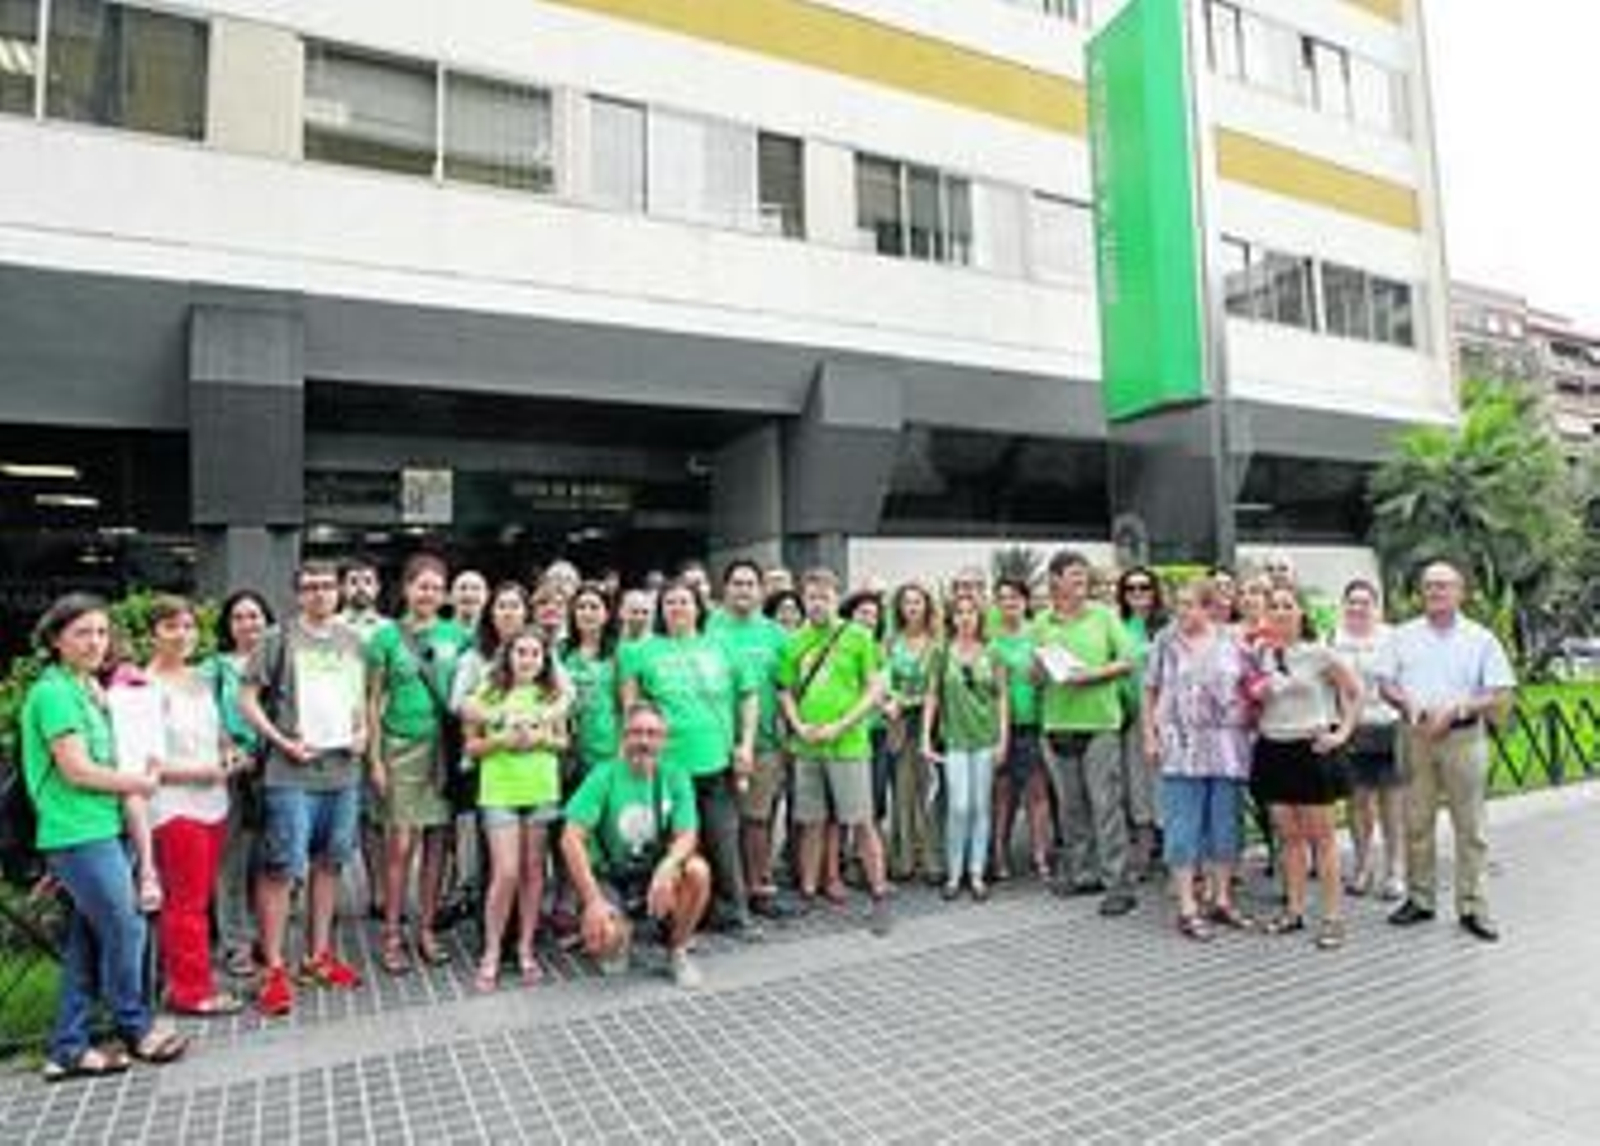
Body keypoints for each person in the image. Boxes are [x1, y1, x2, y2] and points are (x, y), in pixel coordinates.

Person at [23, 594, 189, 1080]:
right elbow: (76, 770)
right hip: (77, 833)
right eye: (82, 633)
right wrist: (138, 783)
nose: (95, 642)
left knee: (87, 942)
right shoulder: (53, 692)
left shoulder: (86, 689)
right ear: (56, 640)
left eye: (101, 632)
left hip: (101, 828)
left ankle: (67, 1047)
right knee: (127, 926)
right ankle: (135, 1024)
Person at [240, 561, 369, 1016]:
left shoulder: (353, 641)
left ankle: (317, 956)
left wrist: (363, 732)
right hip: (291, 774)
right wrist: (281, 741)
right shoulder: (277, 639)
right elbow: (247, 698)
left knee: (330, 864)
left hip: (343, 772)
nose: (319, 594)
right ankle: (274, 967)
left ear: (339, 591)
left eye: (327, 586)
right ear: (297, 594)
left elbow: (361, 699)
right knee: (281, 868)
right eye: (310, 587)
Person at [1377, 562, 1515, 942]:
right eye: (1429, 586)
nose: (1435, 592)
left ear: (1460, 592)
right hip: (1415, 734)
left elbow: (1499, 691)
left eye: (1443, 586)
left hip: (1463, 738)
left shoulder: (1481, 638)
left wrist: (1458, 710)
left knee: (1470, 827)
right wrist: (1407, 705)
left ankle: (1472, 906)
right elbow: (1385, 683)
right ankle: (1420, 900)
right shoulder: (1402, 636)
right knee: (1416, 821)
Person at [619, 579, 759, 936]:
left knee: (722, 840)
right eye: (669, 603)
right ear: (661, 611)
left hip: (715, 762)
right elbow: (631, 709)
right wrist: (636, 753)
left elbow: (748, 696)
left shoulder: (722, 645)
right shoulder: (641, 651)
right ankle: (676, 918)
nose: (677, 608)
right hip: (666, 766)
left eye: (684, 601)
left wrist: (745, 744)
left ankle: (735, 913)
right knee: (675, 845)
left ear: (698, 606)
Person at [367, 554, 471, 973]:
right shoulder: (385, 638)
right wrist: (374, 759)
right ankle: (392, 933)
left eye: (435, 587)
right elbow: (371, 702)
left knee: (437, 845)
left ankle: (425, 929)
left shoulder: (457, 635)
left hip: (443, 752)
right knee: (400, 846)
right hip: (399, 748)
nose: (428, 593)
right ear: (407, 589)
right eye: (420, 585)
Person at [561, 703, 712, 989]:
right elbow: (570, 837)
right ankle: (620, 930)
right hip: (611, 875)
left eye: (653, 734)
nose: (644, 741)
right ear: (624, 737)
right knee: (606, 945)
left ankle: (677, 949)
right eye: (637, 733)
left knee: (697, 870)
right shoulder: (603, 775)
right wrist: (592, 900)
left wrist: (669, 865)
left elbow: (687, 834)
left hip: (653, 873)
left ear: (664, 740)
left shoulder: (674, 774)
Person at [777, 568, 893, 936]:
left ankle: (879, 896)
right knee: (811, 822)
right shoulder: (794, 641)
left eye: (824, 597)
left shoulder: (858, 636)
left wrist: (842, 725)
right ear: (803, 598)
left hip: (848, 745)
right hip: (808, 745)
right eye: (810, 597)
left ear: (835, 597)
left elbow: (874, 690)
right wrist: (797, 726)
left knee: (861, 822)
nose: (817, 603)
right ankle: (809, 894)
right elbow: (785, 691)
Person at [1248, 587, 1362, 948]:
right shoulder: (1258, 654)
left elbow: (1354, 691)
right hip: (1272, 750)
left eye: (1287, 605)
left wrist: (1341, 732)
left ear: (1301, 613)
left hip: (1311, 751)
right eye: (1274, 606)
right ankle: (1294, 910)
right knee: (1289, 839)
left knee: (1322, 841)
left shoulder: (1319, 654)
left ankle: (1332, 918)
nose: (1280, 612)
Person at [1141, 580, 1254, 940]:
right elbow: (1149, 688)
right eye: (1179, 605)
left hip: (1227, 746)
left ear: (1209, 607)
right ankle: (1188, 906)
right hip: (1180, 744)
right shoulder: (1165, 641)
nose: (1184, 612)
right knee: (1182, 826)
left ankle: (1221, 899)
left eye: (1191, 605)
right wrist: (1149, 735)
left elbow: (1253, 685)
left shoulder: (1234, 641)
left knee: (1225, 824)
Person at [145, 596, 240, 1015]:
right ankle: (190, 991)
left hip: (213, 802)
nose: (182, 635)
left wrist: (229, 753)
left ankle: (184, 978)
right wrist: (200, 773)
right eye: (170, 627)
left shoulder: (201, 679)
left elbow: (217, 735)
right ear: (153, 634)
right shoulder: (141, 687)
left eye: (188, 626)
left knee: (197, 898)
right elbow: (143, 762)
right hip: (173, 805)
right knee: (186, 901)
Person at [1033, 549, 1139, 916]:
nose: (1082, 583)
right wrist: (1039, 671)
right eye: (1075, 577)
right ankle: (1083, 873)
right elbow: (1034, 677)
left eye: (1084, 577)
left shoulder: (1105, 617)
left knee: (1106, 805)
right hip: (1057, 724)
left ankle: (1119, 883)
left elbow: (1128, 661)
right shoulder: (1042, 622)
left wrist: (1090, 676)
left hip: (1099, 725)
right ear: (1055, 580)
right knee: (1071, 806)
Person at [462, 631, 567, 991]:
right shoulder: (487, 694)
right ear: (508, 656)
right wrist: (500, 741)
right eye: (521, 652)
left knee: (533, 872)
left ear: (544, 659)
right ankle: (491, 951)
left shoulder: (551, 695)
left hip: (540, 789)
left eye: (535, 653)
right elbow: (472, 746)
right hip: (499, 790)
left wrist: (542, 739)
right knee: (505, 872)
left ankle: (525, 947)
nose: (528, 659)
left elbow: (563, 740)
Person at [707, 560, 792, 920]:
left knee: (758, 819)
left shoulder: (775, 633)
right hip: (716, 740)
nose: (743, 590)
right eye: (737, 583)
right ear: (724, 588)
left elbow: (787, 687)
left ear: (760, 590)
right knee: (724, 822)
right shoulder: (709, 628)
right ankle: (730, 890)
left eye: (750, 584)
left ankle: (759, 887)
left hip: (765, 742)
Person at [921, 592, 1008, 901]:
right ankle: (953, 873)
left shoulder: (992, 652)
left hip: (985, 738)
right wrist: (925, 738)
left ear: (980, 617)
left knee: (980, 806)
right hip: (955, 738)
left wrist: (1003, 738)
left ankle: (976, 873)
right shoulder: (941, 653)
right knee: (958, 806)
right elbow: (932, 697)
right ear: (952, 618)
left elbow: (1001, 698)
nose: (966, 618)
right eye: (959, 612)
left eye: (971, 612)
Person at [205, 589, 274, 978]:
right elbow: (201, 713)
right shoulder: (215, 667)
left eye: (255, 616)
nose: (249, 624)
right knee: (232, 862)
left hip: (278, 771)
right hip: (234, 774)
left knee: (272, 860)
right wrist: (227, 746)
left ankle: (269, 936)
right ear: (228, 625)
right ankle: (236, 944)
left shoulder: (281, 660)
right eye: (240, 617)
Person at [1332, 579, 1406, 901]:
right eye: (1353, 601)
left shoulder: (1392, 638)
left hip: (1389, 726)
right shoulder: (1334, 638)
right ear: (1344, 605)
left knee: (1392, 804)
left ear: (1377, 607)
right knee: (1358, 802)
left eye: (1365, 602)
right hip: (1353, 729)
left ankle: (1396, 870)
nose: (1358, 607)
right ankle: (1363, 866)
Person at [988, 577, 1050, 882]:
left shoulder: (1038, 636)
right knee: (1002, 795)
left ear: (1025, 602)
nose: (1009, 603)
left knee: (1037, 793)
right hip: (1001, 728)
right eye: (1002, 598)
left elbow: (1048, 678)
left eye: (1014, 598)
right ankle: (1000, 854)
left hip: (1034, 724)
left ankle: (1040, 856)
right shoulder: (993, 642)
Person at [884, 582, 941, 884]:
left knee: (930, 792)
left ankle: (932, 860)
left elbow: (937, 687)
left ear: (927, 606)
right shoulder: (891, 641)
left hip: (931, 723)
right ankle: (903, 859)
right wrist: (891, 699)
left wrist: (908, 700)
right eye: (907, 603)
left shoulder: (937, 642)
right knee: (903, 792)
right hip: (899, 724)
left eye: (917, 602)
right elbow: (881, 678)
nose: (912, 608)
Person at [1116, 567, 1168, 879]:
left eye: (1144, 587)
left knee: (1164, 785)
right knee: (1137, 785)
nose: (1138, 594)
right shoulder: (1117, 626)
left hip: (1166, 720)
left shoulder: (1167, 627)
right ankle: (1145, 849)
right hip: (1130, 718)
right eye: (1131, 588)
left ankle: (1172, 849)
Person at [338, 558, 388, 646]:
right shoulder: (330, 626)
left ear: (377, 588)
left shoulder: (389, 628)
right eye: (353, 582)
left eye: (367, 582)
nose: (361, 588)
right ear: (342, 588)